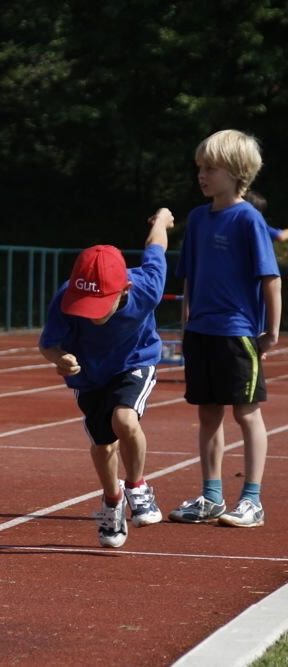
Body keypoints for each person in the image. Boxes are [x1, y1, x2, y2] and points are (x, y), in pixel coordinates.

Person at [38, 209, 173, 547]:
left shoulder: (147, 287)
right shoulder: (66, 296)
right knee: (102, 446)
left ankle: (138, 486)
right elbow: (48, 345)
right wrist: (61, 360)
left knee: (125, 420)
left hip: (135, 361)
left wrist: (161, 220)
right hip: (90, 373)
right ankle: (112, 501)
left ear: (124, 289)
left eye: (99, 305)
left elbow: (155, 247)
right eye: (85, 304)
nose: (91, 314)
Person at [169, 129, 280, 528]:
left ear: (236, 172)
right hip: (201, 331)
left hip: (237, 332)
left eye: (210, 168)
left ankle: (252, 499)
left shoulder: (250, 219)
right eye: (199, 167)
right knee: (208, 414)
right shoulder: (197, 219)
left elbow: (270, 278)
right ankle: (211, 495)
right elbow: (188, 279)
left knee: (246, 412)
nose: (202, 175)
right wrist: (186, 326)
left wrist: (271, 330)